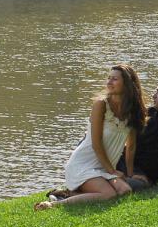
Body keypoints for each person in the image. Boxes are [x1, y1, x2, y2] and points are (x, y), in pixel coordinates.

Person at [35, 64, 147, 210]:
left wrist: (130, 175)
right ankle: (54, 204)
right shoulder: (101, 105)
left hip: (103, 169)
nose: (109, 82)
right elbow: (96, 143)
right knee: (108, 194)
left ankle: (69, 193)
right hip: (83, 165)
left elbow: (130, 147)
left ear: (127, 84)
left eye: (114, 79)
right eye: (108, 78)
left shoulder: (133, 111)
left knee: (126, 190)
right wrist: (112, 171)